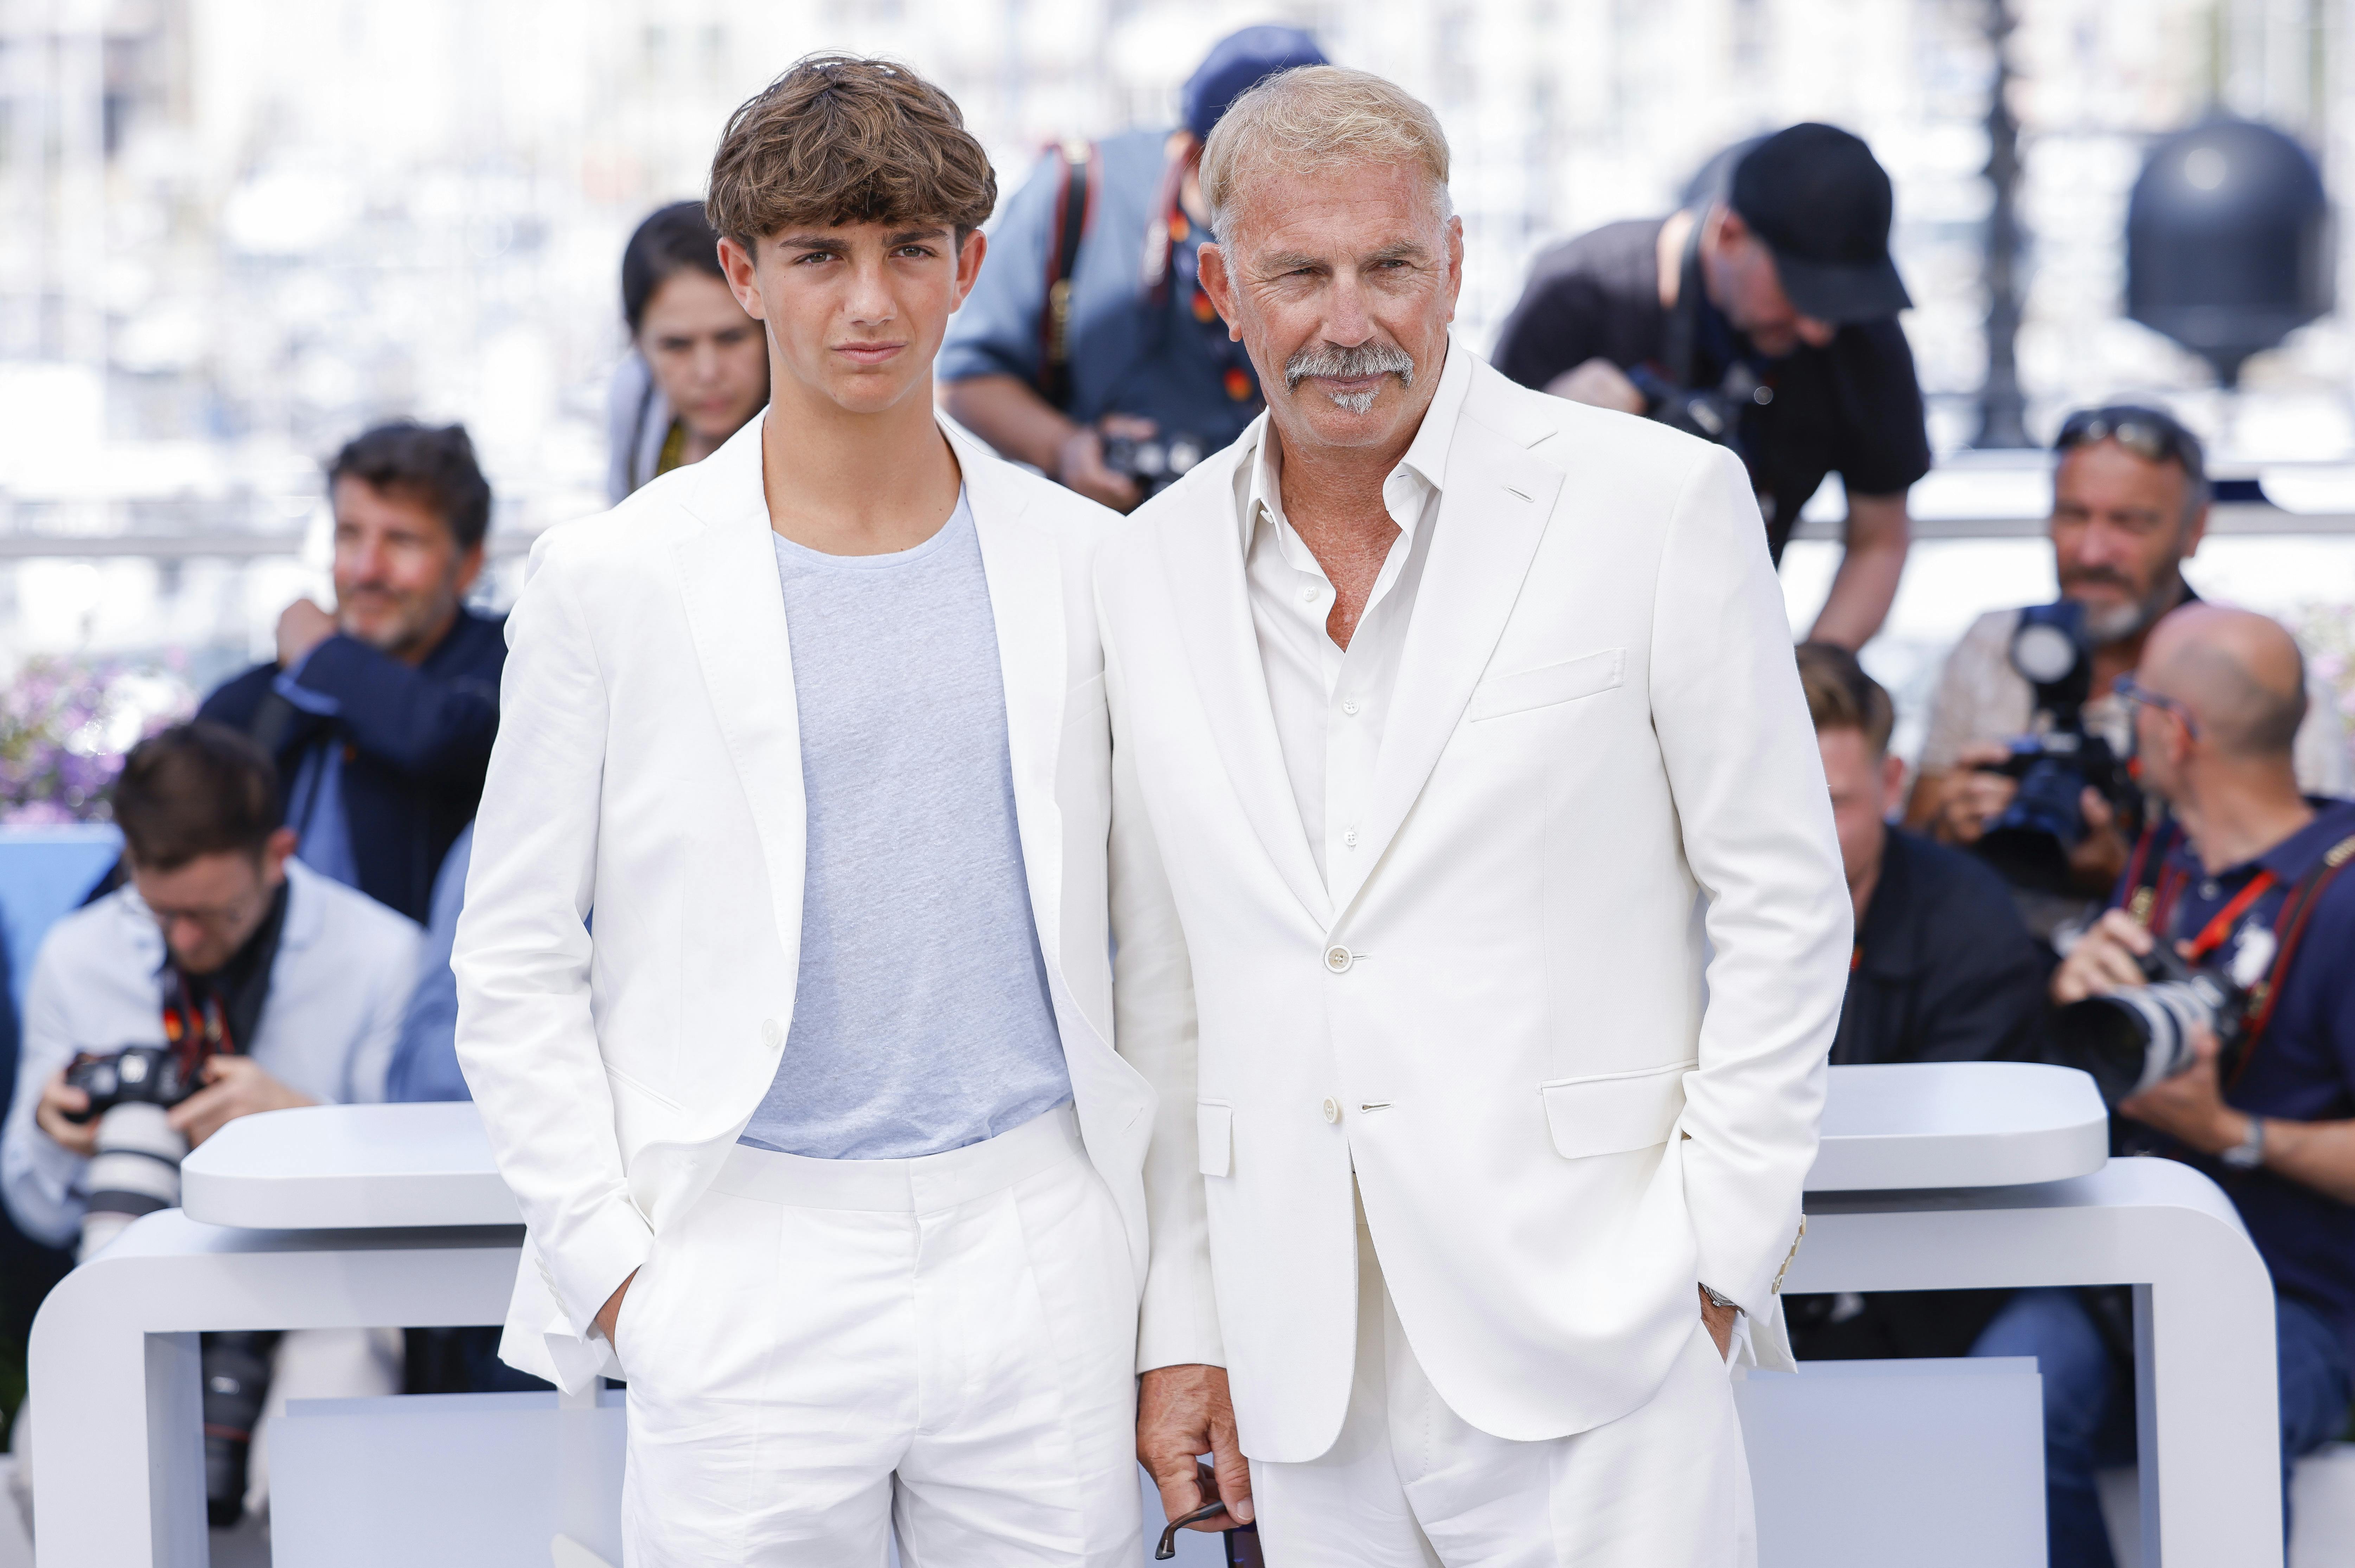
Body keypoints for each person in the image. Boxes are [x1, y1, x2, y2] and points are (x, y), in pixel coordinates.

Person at [1099, 66, 1850, 1564]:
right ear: (1217, 287)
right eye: (1298, 275)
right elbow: (1168, 989)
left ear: (1456, 265)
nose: (1350, 320)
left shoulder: (1658, 505)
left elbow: (1785, 900)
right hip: (1299, 1365)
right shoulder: (1145, 567)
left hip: (1601, 1327)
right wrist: (1185, 1323)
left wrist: (1716, 1254)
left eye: (1390, 265)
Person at [454, 56, 1149, 1565]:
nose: (870, 301)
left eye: (909, 250)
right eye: (820, 255)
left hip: (1038, 1229)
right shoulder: (612, 579)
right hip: (744, 1242)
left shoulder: (1092, 566)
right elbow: (511, 953)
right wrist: (619, 1267)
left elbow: (1157, 937)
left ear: (969, 265)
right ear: (742, 274)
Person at [1973, 603, 2355, 1567]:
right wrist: (2079, 992)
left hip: (2295, 1297)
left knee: (2223, 1393)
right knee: (2005, 1396)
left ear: (2175, 733)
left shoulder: (2343, 894)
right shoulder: (2161, 854)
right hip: (2117, 1276)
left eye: (2137, 700)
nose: (2124, 718)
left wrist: (2234, 1129)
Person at [0, 723, 418, 1519]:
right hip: (127, 1271)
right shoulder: (79, 956)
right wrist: (54, 1139)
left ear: (278, 852)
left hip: (320, 1284)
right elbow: (33, 1209)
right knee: (53, 1476)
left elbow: (412, 1203)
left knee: (331, 1480)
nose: (189, 941)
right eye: (163, 916)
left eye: (217, 914)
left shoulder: (379, 959)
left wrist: (302, 1126)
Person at [1908, 405, 2350, 936]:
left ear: (2195, 529)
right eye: (2073, 515)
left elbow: (2304, 901)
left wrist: (2127, 875)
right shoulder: (1992, 646)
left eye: (2130, 523)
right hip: (1993, 972)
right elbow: (1911, 851)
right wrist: (1953, 829)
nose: (2093, 551)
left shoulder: (2256, 677)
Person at [1492, 123, 1927, 649]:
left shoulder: (1860, 331)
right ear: (1730, 234)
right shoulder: (1577, 293)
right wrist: (1544, 437)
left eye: (1837, 301)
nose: (1819, 328)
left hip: (1733, 649)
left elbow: (1878, 540)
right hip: (1557, 653)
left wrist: (1815, 677)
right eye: (1802, 290)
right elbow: (1475, 525)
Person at [1781, 643, 2043, 1364]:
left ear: (1892, 783)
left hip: (1923, 1320)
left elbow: (1945, 1176)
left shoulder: (1971, 925)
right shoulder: (1680, 918)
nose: (1800, 836)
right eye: (1774, 804)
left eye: (1831, 805)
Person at [938, 25, 1326, 511]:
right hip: (1119, 530)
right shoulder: (1080, 188)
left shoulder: (1350, 230)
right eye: (1253, 170)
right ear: (1192, 147)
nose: (1282, 195)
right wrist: (1066, 448)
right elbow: (966, 380)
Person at [198, 422, 506, 924]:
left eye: (402, 541)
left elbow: (443, 736)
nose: (366, 570)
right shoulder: (257, 701)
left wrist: (322, 653)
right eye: (350, 534)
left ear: (468, 564)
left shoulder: (511, 664)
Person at [606, 200, 771, 502]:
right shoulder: (634, 401)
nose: (707, 372)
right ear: (637, 341)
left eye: (731, 338)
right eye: (677, 345)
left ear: (769, 327)